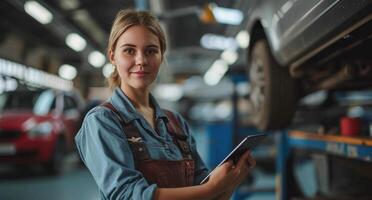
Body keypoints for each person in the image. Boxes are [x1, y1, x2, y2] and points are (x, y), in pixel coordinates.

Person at [75, 8, 256, 200]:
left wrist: (231, 181)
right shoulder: (103, 121)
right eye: (129, 50)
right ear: (112, 56)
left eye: (151, 51)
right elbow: (126, 195)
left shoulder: (175, 122)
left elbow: (204, 192)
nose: (141, 60)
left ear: (161, 56)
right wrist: (212, 189)